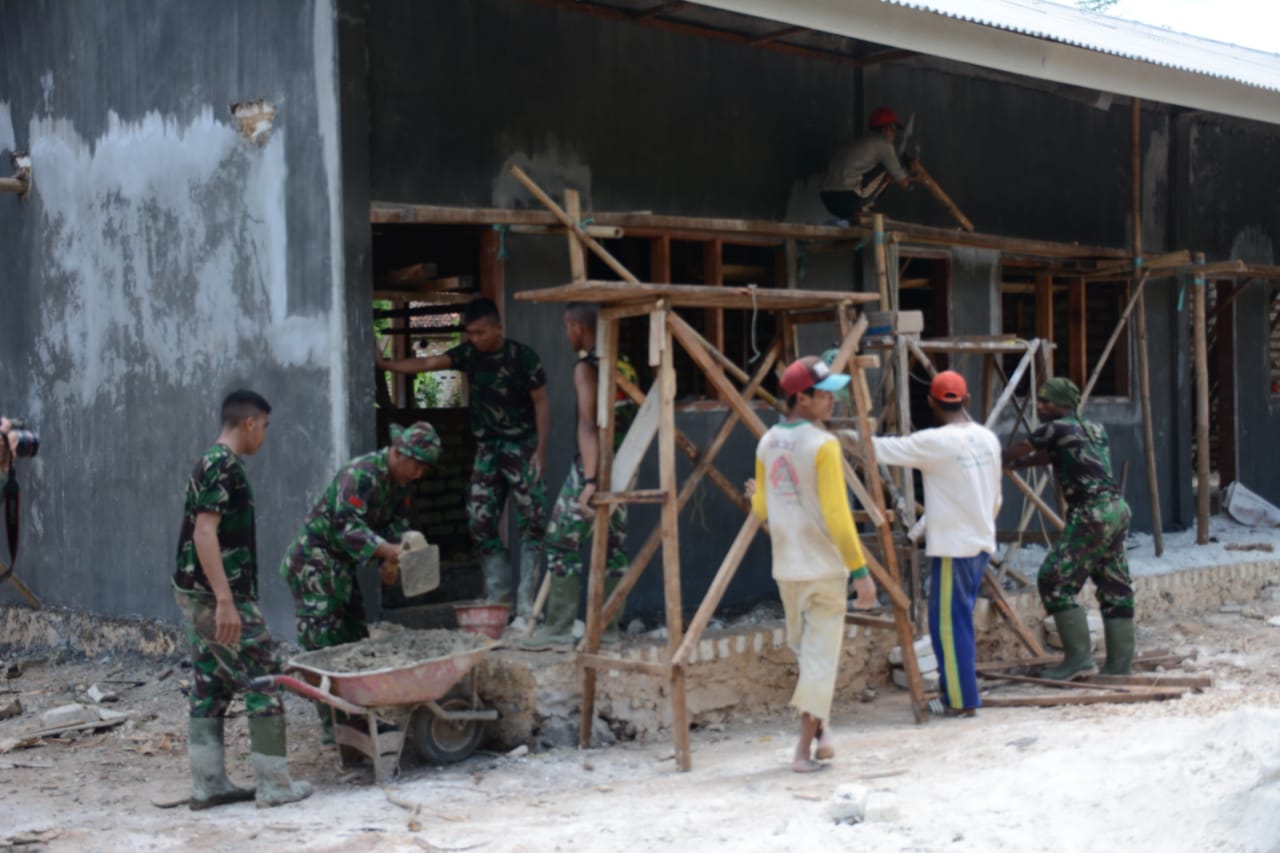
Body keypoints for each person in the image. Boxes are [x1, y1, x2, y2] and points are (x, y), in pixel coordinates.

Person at [171, 389, 311, 809]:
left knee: (211, 681)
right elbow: (204, 533)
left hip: (197, 592)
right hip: (217, 595)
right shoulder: (222, 466)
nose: (264, 436)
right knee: (263, 673)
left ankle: (209, 783)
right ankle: (274, 784)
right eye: (264, 427)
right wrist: (226, 601)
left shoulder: (215, 463)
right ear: (249, 422)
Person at [378, 297, 550, 619]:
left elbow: (541, 401)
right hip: (488, 449)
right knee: (480, 521)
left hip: (522, 447)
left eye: (481, 332)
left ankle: (529, 607)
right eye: (470, 333)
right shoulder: (469, 354)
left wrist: (540, 449)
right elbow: (429, 364)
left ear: (498, 327)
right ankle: (500, 599)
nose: (474, 338)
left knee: (532, 525)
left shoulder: (522, 357)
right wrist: (387, 365)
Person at [751, 356, 877, 773]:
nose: (832, 402)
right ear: (800, 398)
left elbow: (761, 507)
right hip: (823, 567)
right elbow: (839, 516)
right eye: (823, 395)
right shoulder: (823, 445)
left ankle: (822, 736)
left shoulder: (766, 443)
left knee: (808, 657)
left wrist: (755, 491)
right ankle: (802, 752)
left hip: (786, 567)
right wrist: (860, 572)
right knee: (821, 661)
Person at [280, 421, 441, 741]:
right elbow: (347, 528)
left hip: (340, 568)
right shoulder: (360, 475)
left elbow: (396, 524)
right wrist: (390, 550)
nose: (419, 475)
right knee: (323, 644)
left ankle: (353, 719)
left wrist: (395, 558)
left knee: (352, 640)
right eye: (417, 466)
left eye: (425, 469)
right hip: (314, 563)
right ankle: (333, 728)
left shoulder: (400, 485)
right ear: (399, 453)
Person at [860, 371, 1002, 717]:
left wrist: (839, 435)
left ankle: (959, 700)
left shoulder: (935, 442)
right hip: (980, 542)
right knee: (959, 623)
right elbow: (991, 497)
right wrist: (929, 523)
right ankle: (958, 692)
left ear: (931, 403)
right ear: (966, 399)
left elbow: (881, 449)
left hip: (955, 548)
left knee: (949, 628)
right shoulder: (988, 439)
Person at [1003, 377, 1135, 679]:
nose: (1040, 406)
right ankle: (1118, 668)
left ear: (1062, 404)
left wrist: (993, 458)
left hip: (1091, 512)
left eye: (1046, 401)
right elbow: (1054, 455)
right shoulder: (1093, 429)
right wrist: (1024, 466)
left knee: (1054, 580)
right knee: (1115, 586)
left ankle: (1078, 661)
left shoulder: (1054, 428)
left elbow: (1020, 450)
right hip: (1117, 510)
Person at [524, 303, 638, 649]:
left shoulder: (587, 368)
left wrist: (589, 480)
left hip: (597, 465)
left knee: (561, 540)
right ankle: (608, 629)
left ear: (576, 327)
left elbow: (588, 425)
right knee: (614, 547)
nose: (566, 334)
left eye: (566, 327)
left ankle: (557, 630)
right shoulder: (625, 365)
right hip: (624, 464)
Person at [821, 106, 912, 222]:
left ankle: (857, 213)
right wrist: (910, 176)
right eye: (893, 129)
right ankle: (862, 210)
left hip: (827, 198)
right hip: (848, 198)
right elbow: (903, 182)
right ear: (886, 129)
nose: (894, 134)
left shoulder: (858, 142)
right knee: (887, 169)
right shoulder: (884, 145)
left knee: (886, 172)